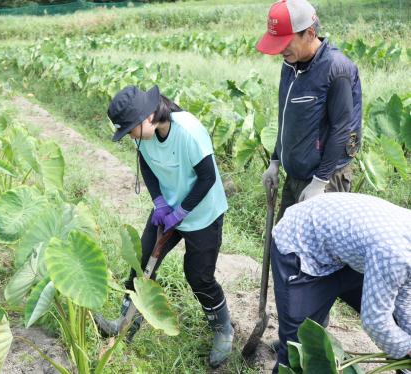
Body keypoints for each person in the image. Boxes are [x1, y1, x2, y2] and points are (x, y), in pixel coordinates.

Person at [94, 85, 233, 368]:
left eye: (130, 130)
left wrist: (182, 211)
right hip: (168, 208)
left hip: (203, 213)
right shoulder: (143, 134)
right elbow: (145, 162)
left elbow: (207, 179)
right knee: (141, 261)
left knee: (198, 276)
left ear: (147, 118)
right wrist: (159, 202)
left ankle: (223, 331)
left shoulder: (189, 132)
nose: (130, 136)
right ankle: (125, 323)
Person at [270, 192, 411, 372]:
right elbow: (376, 321)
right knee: (298, 353)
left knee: (398, 324)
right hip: (304, 249)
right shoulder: (396, 255)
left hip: (346, 253)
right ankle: (290, 342)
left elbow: (406, 301)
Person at [257, 0, 362, 220]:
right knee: (284, 247)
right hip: (295, 175)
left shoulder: (336, 69)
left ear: (310, 33)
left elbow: (341, 130)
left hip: (326, 180)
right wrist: (275, 161)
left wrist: (320, 182)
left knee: (315, 252)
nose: (280, 50)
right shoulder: (290, 64)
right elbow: (286, 117)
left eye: (285, 42)